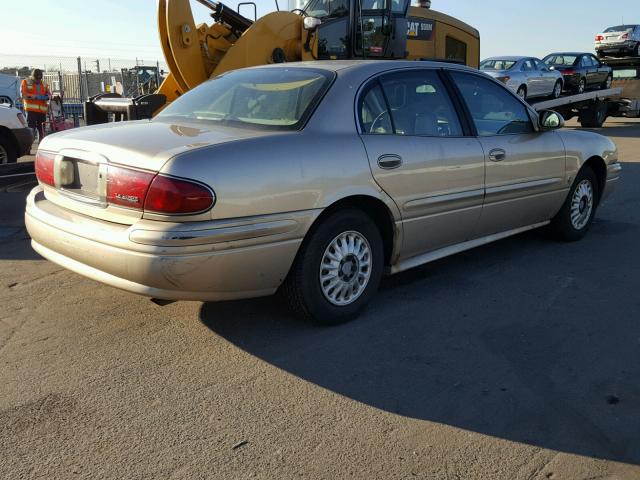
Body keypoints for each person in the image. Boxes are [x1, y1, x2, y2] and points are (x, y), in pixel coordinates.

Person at [20, 69, 50, 141]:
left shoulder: (44, 84)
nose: (38, 80)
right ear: (33, 77)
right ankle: (28, 148)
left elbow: (49, 93)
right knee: (31, 130)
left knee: (42, 130)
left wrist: (47, 96)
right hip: (31, 111)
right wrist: (34, 96)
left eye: (40, 78)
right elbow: (23, 95)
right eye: (37, 78)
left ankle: (41, 146)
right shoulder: (26, 82)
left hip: (42, 111)